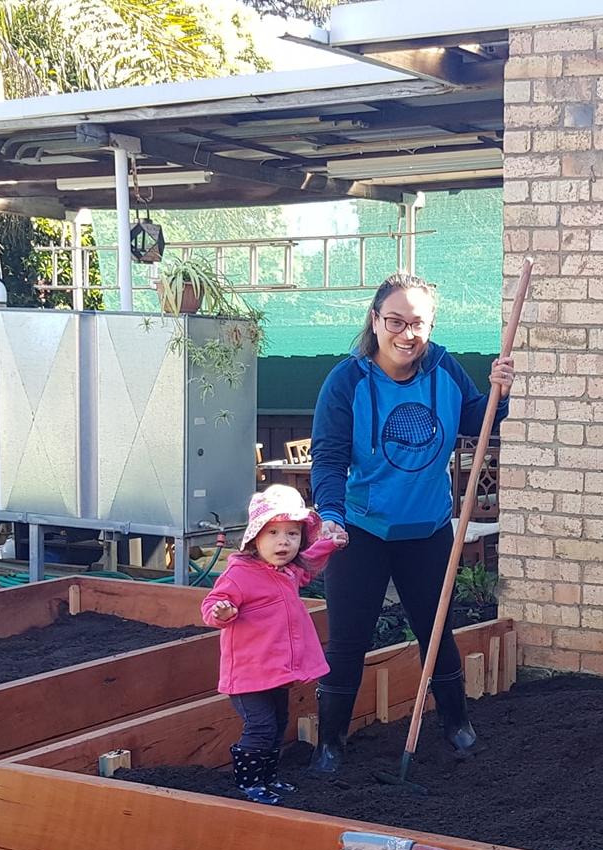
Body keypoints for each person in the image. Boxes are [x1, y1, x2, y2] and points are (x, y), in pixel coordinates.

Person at [307, 272, 514, 775]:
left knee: (436, 627)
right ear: (376, 321)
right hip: (361, 531)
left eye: (417, 323)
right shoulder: (347, 382)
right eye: (395, 321)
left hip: (427, 530)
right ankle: (331, 743)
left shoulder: (444, 367)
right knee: (350, 639)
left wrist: (499, 394)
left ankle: (456, 724)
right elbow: (329, 459)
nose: (407, 334)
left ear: (431, 325)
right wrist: (331, 517)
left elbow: (473, 421)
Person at [200, 484, 345, 804]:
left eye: (292, 534)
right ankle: (249, 784)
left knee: (279, 722)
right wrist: (222, 612)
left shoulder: (288, 570)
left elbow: (308, 560)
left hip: (275, 670)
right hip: (248, 674)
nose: (284, 541)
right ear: (255, 539)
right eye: (274, 533)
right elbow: (213, 603)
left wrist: (330, 544)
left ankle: (269, 778)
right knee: (261, 726)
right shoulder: (240, 574)